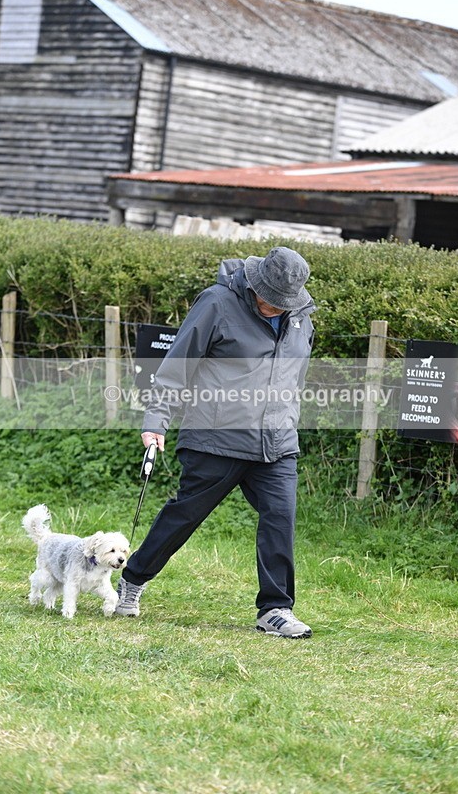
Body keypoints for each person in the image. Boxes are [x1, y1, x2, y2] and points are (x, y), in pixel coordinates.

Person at [116, 246, 316, 638]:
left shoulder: (301, 318)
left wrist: (287, 419)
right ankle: (133, 578)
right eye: (270, 300)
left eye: (283, 303)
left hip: (276, 442)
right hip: (216, 437)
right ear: (255, 285)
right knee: (185, 515)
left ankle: (275, 609)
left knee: (280, 517)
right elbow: (178, 365)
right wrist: (157, 419)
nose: (276, 308)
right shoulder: (216, 303)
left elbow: (296, 377)